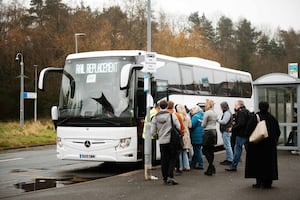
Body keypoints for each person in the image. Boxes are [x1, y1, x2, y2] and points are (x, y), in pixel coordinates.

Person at [245, 101, 281, 189]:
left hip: (258, 146)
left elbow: (248, 131)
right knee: (269, 164)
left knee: (258, 163)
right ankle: (268, 183)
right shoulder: (272, 118)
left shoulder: (255, 117)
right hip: (270, 147)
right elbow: (278, 132)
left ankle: (259, 182)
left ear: (259, 107)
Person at [151, 100, 180, 185]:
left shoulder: (155, 118)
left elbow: (152, 132)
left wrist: (158, 134)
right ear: (167, 106)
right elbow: (178, 126)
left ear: (159, 107)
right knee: (172, 158)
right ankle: (170, 176)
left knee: (164, 159)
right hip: (171, 140)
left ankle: (164, 177)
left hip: (162, 141)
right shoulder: (172, 116)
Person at [226, 100, 249, 172]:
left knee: (238, 150)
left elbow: (241, 123)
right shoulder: (247, 111)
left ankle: (234, 166)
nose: (235, 107)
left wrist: (232, 128)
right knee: (248, 150)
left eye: (236, 105)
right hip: (247, 134)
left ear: (239, 105)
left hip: (241, 134)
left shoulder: (241, 112)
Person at [167, 101, 185, 175]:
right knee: (176, 154)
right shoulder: (177, 115)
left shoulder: (164, 115)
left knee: (167, 154)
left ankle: (169, 169)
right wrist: (182, 134)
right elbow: (181, 127)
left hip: (166, 137)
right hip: (176, 137)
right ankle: (177, 168)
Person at [202, 99, 218, 176]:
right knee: (211, 150)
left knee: (205, 150)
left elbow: (203, 125)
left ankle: (211, 166)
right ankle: (210, 168)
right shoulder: (214, 113)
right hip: (214, 131)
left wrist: (201, 122)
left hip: (208, 132)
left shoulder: (207, 113)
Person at [176, 104, 192, 171]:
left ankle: (180, 166)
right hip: (186, 134)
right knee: (185, 151)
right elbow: (190, 126)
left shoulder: (178, 116)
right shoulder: (187, 116)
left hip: (180, 134)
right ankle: (187, 166)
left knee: (179, 151)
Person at [190, 105, 205, 170]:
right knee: (197, 150)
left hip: (196, 135)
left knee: (197, 150)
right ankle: (192, 164)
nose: (191, 111)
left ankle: (201, 164)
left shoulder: (195, 117)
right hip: (201, 134)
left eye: (192, 110)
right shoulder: (202, 115)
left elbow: (192, 125)